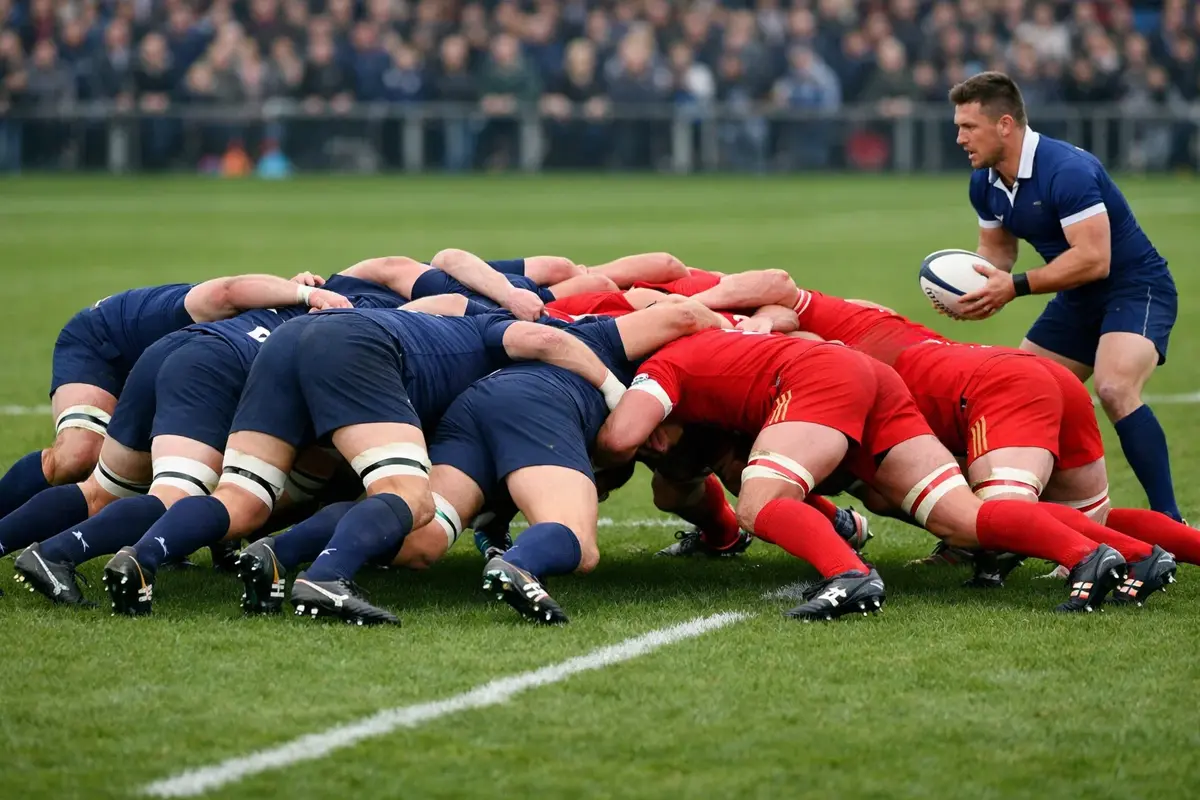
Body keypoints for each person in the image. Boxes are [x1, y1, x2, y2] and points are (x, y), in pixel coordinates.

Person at [100, 306, 620, 618]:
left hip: (290, 341)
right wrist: (612, 391)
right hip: (352, 346)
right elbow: (545, 337)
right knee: (407, 494)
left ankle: (142, 560)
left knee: (243, 497)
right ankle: (328, 576)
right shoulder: (493, 329)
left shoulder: (432, 322)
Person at [597, 329, 1132, 619]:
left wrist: (601, 426)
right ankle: (1107, 553)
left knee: (760, 504)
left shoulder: (658, 367)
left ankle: (849, 576)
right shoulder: (709, 348)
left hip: (819, 378)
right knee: (962, 520)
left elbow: (623, 437)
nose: (654, 441)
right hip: (867, 375)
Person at [948, 71, 1182, 522]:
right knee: (1015, 395)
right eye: (958, 126)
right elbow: (997, 253)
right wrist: (974, 290)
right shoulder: (985, 181)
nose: (959, 138)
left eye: (968, 127)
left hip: (1135, 287)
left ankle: (1170, 521)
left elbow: (1095, 260)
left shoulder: (1066, 169)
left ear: (1004, 125)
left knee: (1114, 388)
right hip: (1077, 298)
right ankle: (1003, 526)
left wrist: (1012, 288)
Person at [0, 274, 348, 538]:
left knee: (177, 465)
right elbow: (227, 290)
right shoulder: (224, 302)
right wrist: (306, 292)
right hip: (102, 346)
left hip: (162, 369)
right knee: (78, 454)